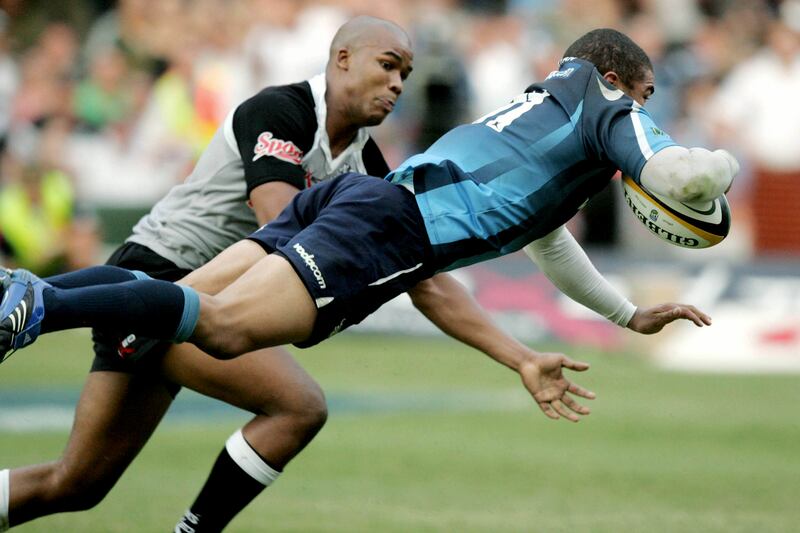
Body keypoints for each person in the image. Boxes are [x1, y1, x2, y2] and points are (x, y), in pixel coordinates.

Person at [0, 28, 737, 531]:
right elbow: (675, 165)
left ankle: (37, 299)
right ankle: (39, 299)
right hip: (378, 229)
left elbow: (549, 245)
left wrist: (624, 314)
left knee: (87, 472)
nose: (640, 112)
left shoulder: (546, 134)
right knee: (224, 330)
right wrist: (707, 180)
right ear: (615, 82)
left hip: (357, 203)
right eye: (641, 96)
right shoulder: (602, 103)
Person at [0, 15, 416, 533]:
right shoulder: (280, 109)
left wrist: (516, 356)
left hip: (199, 294)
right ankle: (33, 299)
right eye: (389, 65)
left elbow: (426, 279)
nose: (399, 83)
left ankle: (32, 299)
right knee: (298, 407)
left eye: (406, 73)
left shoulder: (365, 165)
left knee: (75, 484)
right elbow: (279, 222)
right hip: (162, 272)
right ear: (343, 59)